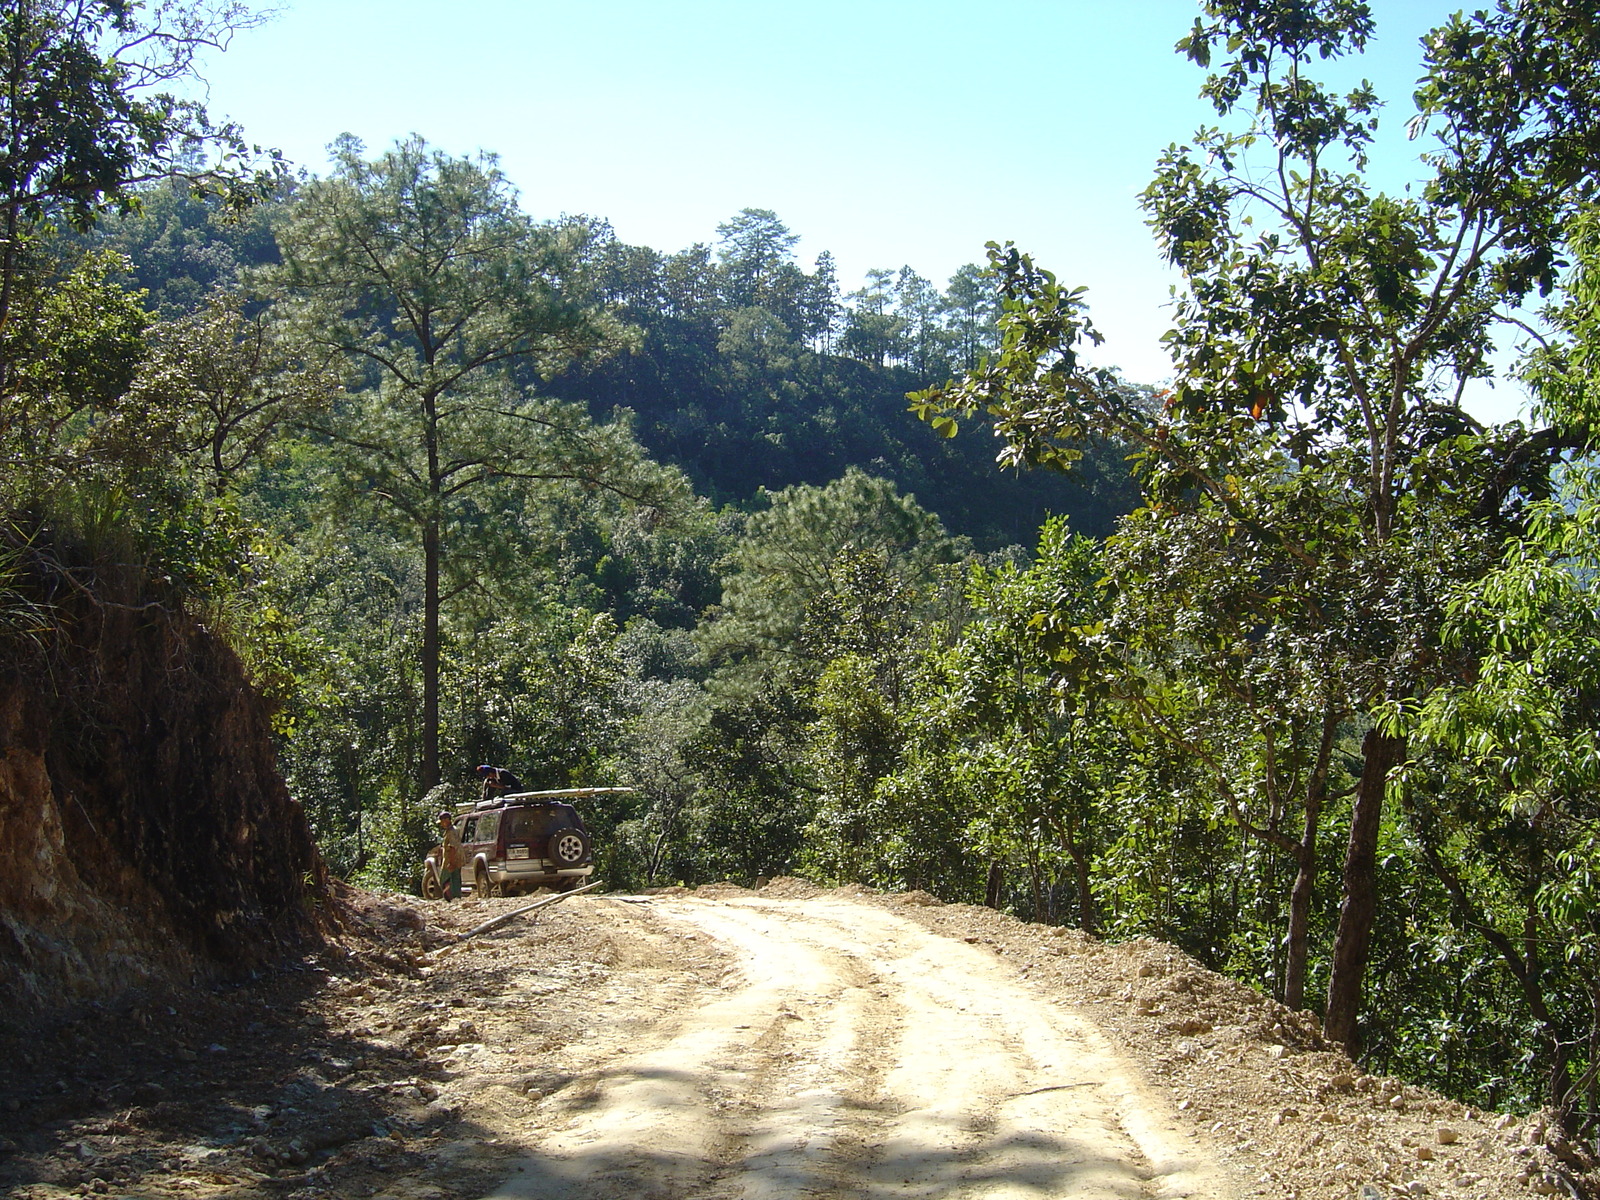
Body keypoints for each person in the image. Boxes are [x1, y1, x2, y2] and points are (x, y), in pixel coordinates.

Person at [437, 810, 464, 900]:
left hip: (451, 859)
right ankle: (456, 897)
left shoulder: (451, 832)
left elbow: (452, 847)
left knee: (445, 879)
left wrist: (451, 862)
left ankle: (450, 897)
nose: (441, 824)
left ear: (447, 820)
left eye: (442, 822)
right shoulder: (453, 830)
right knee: (455, 878)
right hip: (456, 858)